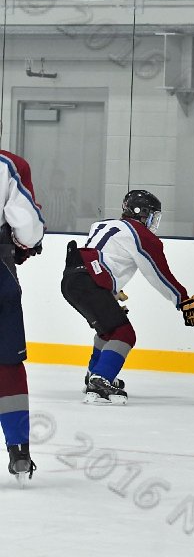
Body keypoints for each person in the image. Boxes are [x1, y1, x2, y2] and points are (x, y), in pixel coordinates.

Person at [60, 190, 194, 405]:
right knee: (124, 333)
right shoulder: (140, 234)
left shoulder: (104, 225)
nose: (152, 222)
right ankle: (100, 380)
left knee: (109, 328)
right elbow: (157, 272)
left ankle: (96, 372)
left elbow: (100, 254)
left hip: (72, 279)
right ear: (142, 213)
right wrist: (183, 301)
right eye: (152, 215)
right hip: (90, 281)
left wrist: (110, 291)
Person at [0, 149, 44, 482]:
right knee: (8, 365)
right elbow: (28, 227)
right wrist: (23, 244)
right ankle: (19, 451)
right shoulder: (8, 164)